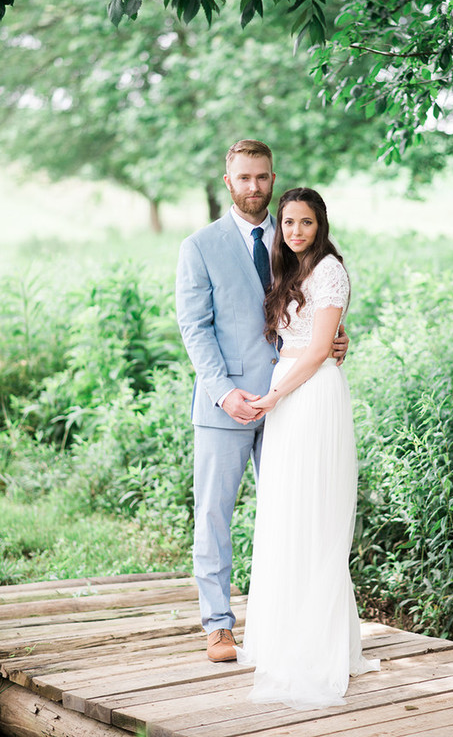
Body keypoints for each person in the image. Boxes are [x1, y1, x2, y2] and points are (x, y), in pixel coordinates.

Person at [175, 141, 348, 663]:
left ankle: (291, 624)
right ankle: (218, 626)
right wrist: (225, 393)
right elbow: (194, 327)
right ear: (228, 181)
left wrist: (338, 341)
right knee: (214, 515)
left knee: (291, 513)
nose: (254, 187)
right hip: (227, 403)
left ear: (274, 179)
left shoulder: (294, 236)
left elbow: (316, 308)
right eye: (244, 177)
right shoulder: (199, 246)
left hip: (291, 405)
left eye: (263, 177)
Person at [236, 187, 380, 709]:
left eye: (306, 222)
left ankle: (317, 648)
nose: (296, 231)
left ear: (321, 225)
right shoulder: (288, 270)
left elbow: (321, 347)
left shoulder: (329, 271)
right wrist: (278, 392)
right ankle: (284, 636)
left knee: (314, 513)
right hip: (288, 396)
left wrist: (274, 394)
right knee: (285, 511)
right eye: (289, 223)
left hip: (311, 395)